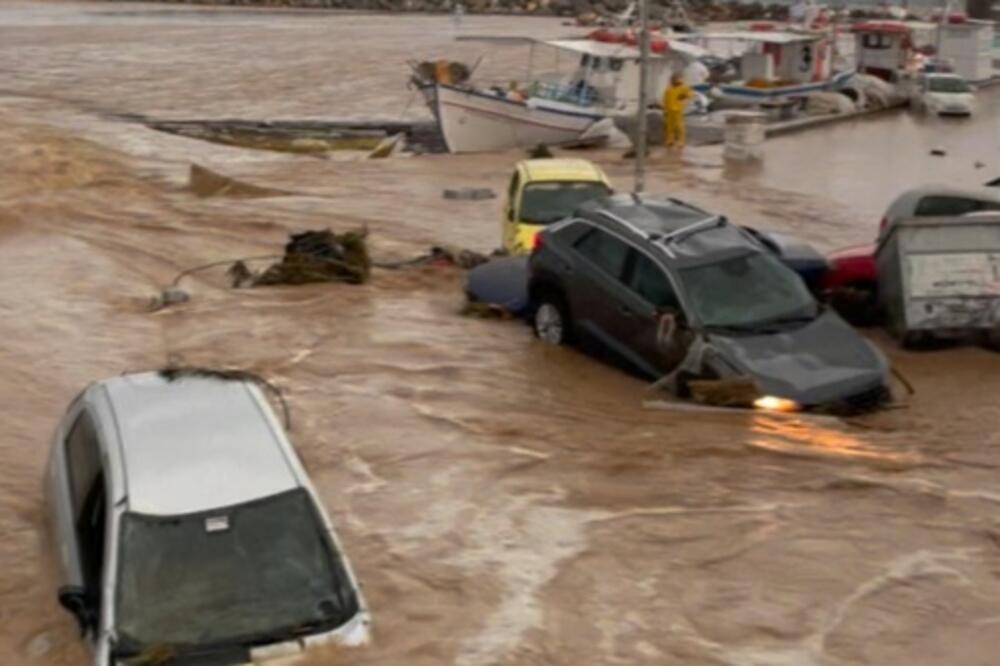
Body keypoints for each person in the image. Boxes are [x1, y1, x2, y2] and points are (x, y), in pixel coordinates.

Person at [662, 73, 694, 149]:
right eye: (673, 79)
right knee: (669, 126)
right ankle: (670, 140)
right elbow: (665, 100)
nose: (675, 80)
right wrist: (665, 110)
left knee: (679, 126)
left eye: (676, 79)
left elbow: (690, 95)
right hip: (669, 110)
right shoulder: (668, 89)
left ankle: (681, 141)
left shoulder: (683, 88)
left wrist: (684, 97)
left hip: (678, 110)